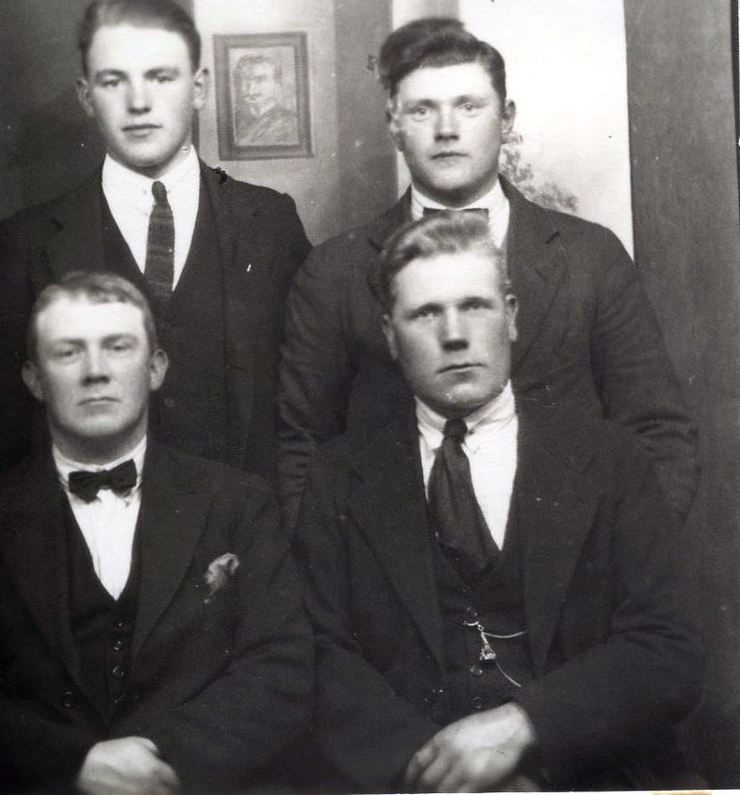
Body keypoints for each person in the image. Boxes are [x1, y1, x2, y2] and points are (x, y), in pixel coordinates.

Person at [294, 211, 702, 790]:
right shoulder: (337, 475)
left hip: (588, 775)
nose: (454, 334)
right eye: (426, 313)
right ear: (389, 334)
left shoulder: (611, 459)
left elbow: (667, 648)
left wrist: (525, 726)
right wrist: (444, 772)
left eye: (475, 306)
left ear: (510, 316)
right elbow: (319, 658)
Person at [277, 17, 696, 516]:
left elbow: (657, 431)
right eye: (422, 110)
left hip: (570, 554)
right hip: (394, 557)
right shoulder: (334, 271)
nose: (446, 129)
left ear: (506, 118)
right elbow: (301, 444)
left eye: (468, 106)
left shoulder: (591, 257)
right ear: (394, 125)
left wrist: (620, 552)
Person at [0, 271, 311, 793]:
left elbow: (281, 668)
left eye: (118, 347)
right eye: (68, 352)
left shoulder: (239, 503)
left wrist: (155, 757)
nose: (96, 372)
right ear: (34, 379)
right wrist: (76, 763)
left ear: (156, 368)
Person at [0, 0, 310, 485]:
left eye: (160, 77)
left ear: (199, 87)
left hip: (249, 525)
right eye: (114, 81)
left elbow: (310, 412)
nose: (139, 102)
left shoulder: (271, 222)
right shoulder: (28, 241)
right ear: (86, 96)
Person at [232, 54, 299, 146]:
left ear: (277, 84)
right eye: (247, 80)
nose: (251, 89)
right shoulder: (233, 121)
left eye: (260, 80)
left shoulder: (292, 123)